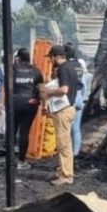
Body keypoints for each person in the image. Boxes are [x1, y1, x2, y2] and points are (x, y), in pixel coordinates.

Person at [41, 45, 80, 186]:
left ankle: (66, 175)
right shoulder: (71, 68)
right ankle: (62, 170)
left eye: (51, 57)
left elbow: (64, 90)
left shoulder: (63, 69)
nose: (50, 60)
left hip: (63, 110)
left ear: (56, 57)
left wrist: (48, 92)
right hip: (69, 108)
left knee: (64, 145)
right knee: (65, 143)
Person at [6, 48, 42, 168]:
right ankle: (21, 160)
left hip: (15, 102)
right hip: (30, 103)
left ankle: (10, 160)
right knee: (24, 132)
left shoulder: (13, 69)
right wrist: (38, 99)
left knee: (12, 131)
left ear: (19, 58)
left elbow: (6, 86)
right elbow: (41, 88)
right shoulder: (36, 71)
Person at [72, 58, 92, 156]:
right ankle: (75, 152)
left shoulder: (67, 69)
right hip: (80, 100)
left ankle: (67, 151)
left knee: (67, 128)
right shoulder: (86, 75)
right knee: (76, 128)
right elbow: (85, 89)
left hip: (71, 100)